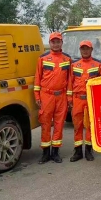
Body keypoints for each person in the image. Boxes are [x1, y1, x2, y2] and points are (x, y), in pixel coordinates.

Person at [33, 32, 72, 164]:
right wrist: (37, 95)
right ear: (49, 43)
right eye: (53, 42)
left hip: (61, 96)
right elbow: (37, 77)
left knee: (59, 124)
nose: (56, 44)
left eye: (58, 42)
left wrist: (69, 98)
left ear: (61, 43)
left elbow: (70, 80)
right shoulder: (42, 58)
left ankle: (55, 152)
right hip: (46, 96)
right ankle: (45, 153)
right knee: (45, 123)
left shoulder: (67, 59)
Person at [68, 40, 101, 162]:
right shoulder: (74, 65)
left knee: (90, 125)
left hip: (92, 99)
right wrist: (69, 98)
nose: (85, 51)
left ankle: (89, 150)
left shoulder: (98, 65)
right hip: (78, 99)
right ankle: (78, 151)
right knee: (77, 125)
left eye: (87, 48)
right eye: (83, 48)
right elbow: (70, 83)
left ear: (91, 50)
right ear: (80, 50)